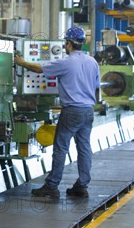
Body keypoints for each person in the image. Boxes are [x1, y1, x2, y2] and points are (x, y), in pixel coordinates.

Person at [14, 26, 100, 199]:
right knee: (84, 147)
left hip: (72, 111)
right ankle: (82, 186)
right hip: (88, 110)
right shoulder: (93, 62)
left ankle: (52, 186)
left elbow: (39, 69)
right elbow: (97, 88)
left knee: (61, 147)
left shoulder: (66, 62)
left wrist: (21, 62)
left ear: (68, 43)